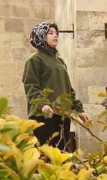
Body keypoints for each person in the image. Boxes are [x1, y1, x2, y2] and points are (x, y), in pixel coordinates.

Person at [22, 21, 89, 151]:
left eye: (56, 33)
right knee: (47, 153)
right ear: (40, 36)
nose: (55, 36)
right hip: (43, 115)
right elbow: (30, 86)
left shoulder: (60, 62)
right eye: (50, 33)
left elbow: (68, 89)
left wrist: (78, 109)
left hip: (63, 114)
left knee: (61, 153)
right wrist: (42, 105)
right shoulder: (34, 60)